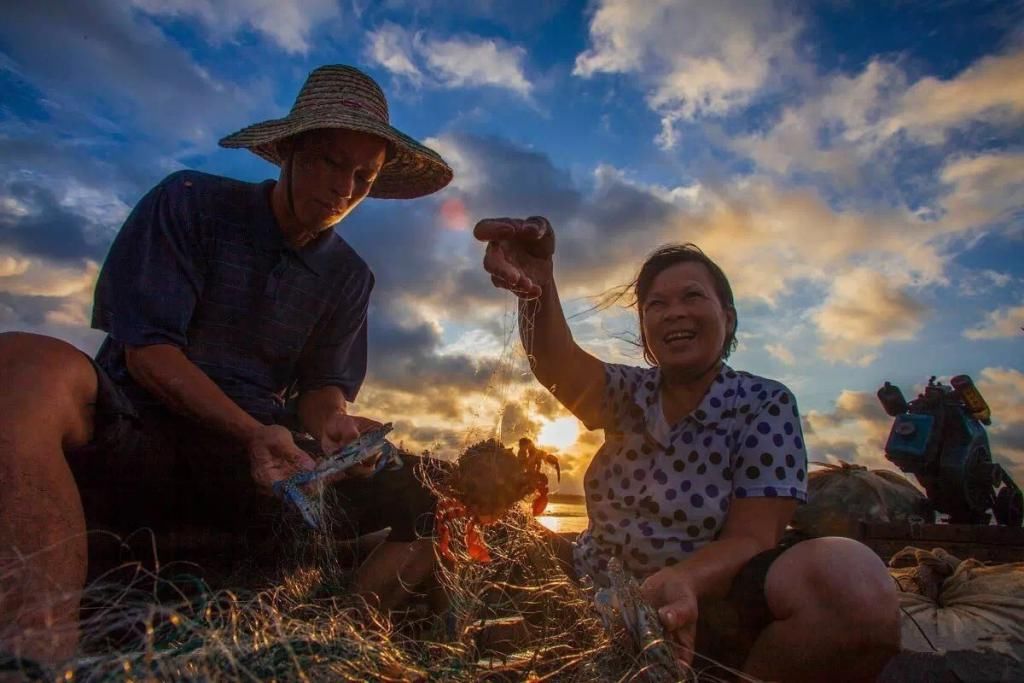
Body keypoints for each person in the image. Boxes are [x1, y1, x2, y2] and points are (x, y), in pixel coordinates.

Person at [0, 65, 452, 665]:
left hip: (261, 463)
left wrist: (333, 425)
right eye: (325, 160)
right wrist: (251, 431)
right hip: (141, 422)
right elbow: (149, 352)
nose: (342, 188)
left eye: (362, 176)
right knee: (27, 362)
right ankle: (37, 657)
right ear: (287, 150)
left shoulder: (350, 276)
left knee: (432, 496)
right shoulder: (190, 203)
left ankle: (328, 645)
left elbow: (321, 388)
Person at [474, 216, 901, 682]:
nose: (673, 311)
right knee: (462, 519)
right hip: (591, 585)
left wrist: (684, 582)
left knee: (854, 585)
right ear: (645, 332)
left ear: (729, 318)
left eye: (692, 296)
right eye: (656, 304)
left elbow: (753, 538)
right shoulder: (628, 393)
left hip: (709, 607)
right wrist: (537, 286)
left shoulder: (764, 403)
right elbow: (556, 363)